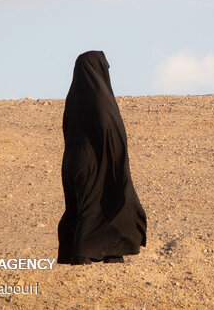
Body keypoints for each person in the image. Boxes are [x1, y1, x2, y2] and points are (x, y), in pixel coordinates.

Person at [58, 51, 147, 265]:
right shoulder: (99, 96)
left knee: (87, 203)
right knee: (102, 200)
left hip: (73, 160)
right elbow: (109, 125)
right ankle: (82, 253)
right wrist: (116, 156)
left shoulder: (74, 97)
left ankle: (111, 251)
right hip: (93, 159)